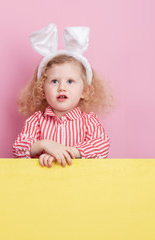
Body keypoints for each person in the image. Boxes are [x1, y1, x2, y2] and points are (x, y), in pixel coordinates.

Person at [13, 23, 112, 167]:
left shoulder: (89, 121)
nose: (62, 88)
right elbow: (19, 149)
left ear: (85, 91)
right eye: (54, 81)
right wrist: (45, 145)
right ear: (42, 89)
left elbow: (102, 146)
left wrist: (67, 152)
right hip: (43, 182)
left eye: (70, 81)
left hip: (79, 184)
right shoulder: (36, 121)